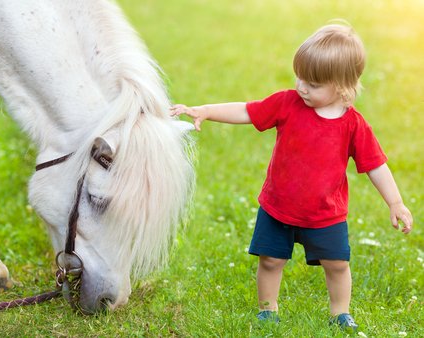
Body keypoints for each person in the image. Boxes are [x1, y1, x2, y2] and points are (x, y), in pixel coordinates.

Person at [170, 23, 413, 332]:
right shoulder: (287, 103)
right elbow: (248, 110)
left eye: (312, 83)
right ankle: (268, 310)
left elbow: (375, 165)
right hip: (278, 207)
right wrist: (204, 110)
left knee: (337, 265)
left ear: (343, 86)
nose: (302, 87)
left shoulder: (353, 125)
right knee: (270, 261)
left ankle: (340, 312)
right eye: (300, 77)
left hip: (326, 216)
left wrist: (395, 202)